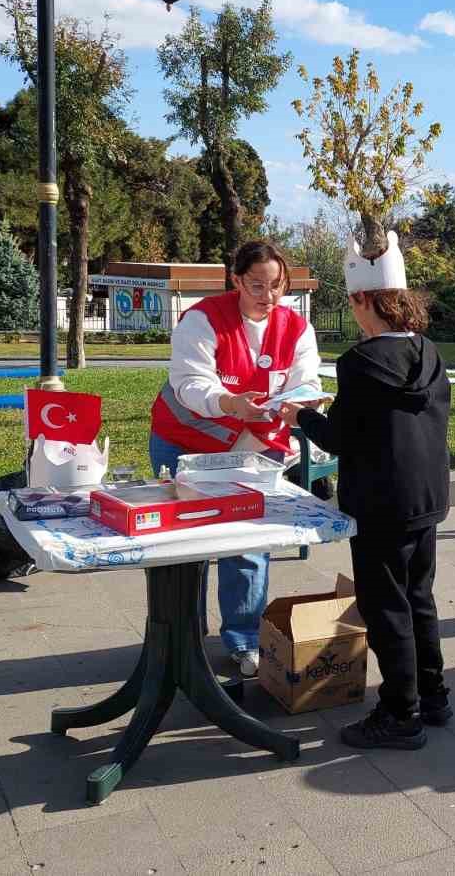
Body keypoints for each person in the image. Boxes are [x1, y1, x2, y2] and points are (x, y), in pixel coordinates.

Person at [284, 231, 451, 751]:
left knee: (386, 608)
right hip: (426, 499)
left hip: (381, 503)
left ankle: (401, 713)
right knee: (419, 598)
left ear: (362, 301)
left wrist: (305, 416)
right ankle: (433, 694)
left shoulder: (359, 364)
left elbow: (340, 439)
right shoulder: (429, 352)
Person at [148, 240, 322, 676]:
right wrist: (229, 403)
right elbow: (189, 382)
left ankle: (244, 639)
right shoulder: (202, 319)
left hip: (253, 448)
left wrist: (303, 404)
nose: (268, 296)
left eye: (277, 286)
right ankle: (182, 637)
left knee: (246, 540)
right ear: (236, 280)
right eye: (257, 285)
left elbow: (305, 381)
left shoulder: (296, 328)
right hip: (186, 442)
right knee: (185, 543)